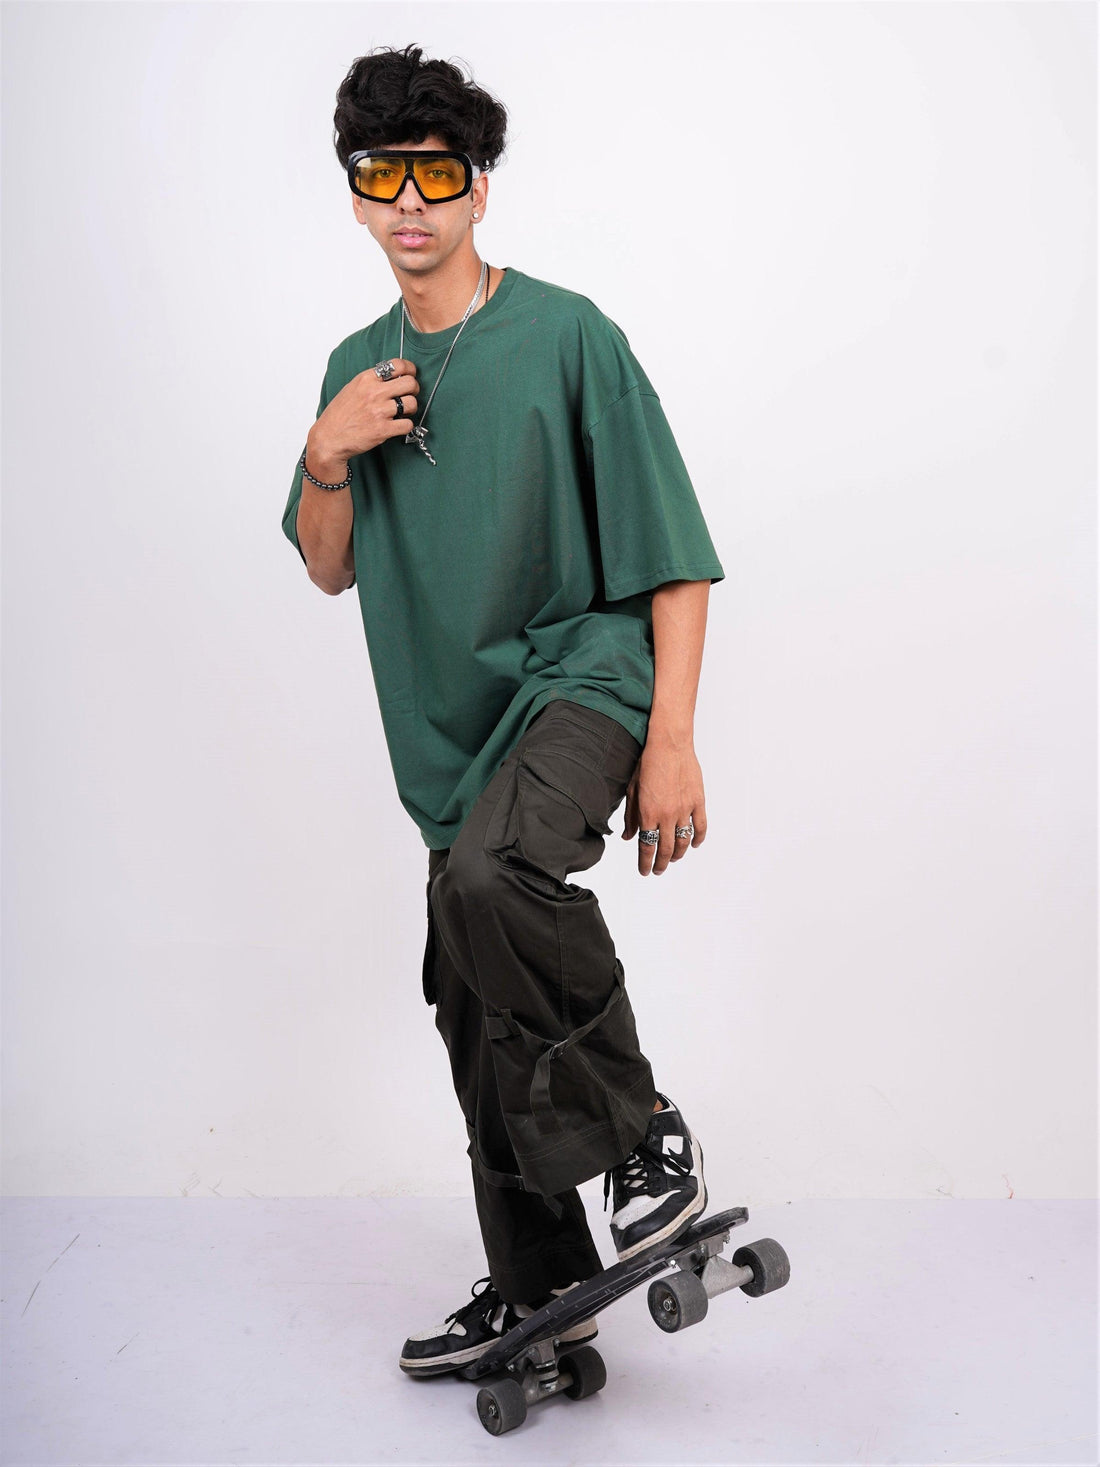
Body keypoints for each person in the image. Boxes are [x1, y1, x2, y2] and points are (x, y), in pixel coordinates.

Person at [280, 43, 726, 1378]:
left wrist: (672, 740)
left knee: (496, 875)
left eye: (439, 174)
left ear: (479, 188)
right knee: (473, 1000)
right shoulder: (352, 369)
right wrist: (326, 449)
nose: (412, 201)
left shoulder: (569, 336)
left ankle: (644, 1132)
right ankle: (543, 1288)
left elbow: (675, 556)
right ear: (357, 197)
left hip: (584, 678)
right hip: (448, 739)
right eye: (385, 176)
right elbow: (327, 565)